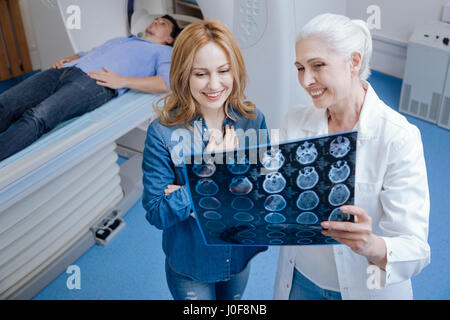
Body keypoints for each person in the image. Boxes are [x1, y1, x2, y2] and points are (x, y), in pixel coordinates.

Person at [274, 13, 430, 300]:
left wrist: (369, 244)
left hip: (366, 287)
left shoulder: (398, 137)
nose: (306, 80)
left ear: (354, 62)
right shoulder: (294, 122)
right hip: (301, 280)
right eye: (300, 68)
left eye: (318, 65)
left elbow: (416, 249)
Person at [141, 20, 268, 300]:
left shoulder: (252, 120)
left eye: (223, 71)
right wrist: (210, 172)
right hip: (191, 265)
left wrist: (188, 196)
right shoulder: (162, 133)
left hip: (237, 256)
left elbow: (262, 194)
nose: (214, 84)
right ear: (184, 74)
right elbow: (156, 211)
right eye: (200, 74)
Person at [0, 15, 181, 161]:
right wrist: (67, 60)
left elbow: (164, 83)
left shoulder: (165, 52)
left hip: (93, 83)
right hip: (65, 70)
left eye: (162, 23)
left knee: (38, 116)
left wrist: (122, 81)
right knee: (7, 102)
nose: (156, 21)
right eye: (156, 19)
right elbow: (84, 54)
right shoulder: (122, 39)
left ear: (169, 38)